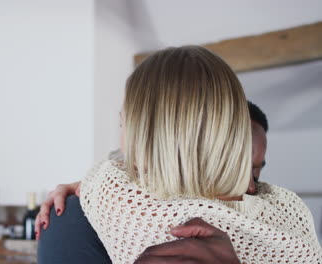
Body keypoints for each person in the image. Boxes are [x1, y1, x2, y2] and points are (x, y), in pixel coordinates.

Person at [38, 46, 321, 263]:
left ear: (152, 135)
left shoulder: (94, 209)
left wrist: (90, 187)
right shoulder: (288, 215)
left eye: (126, 124)